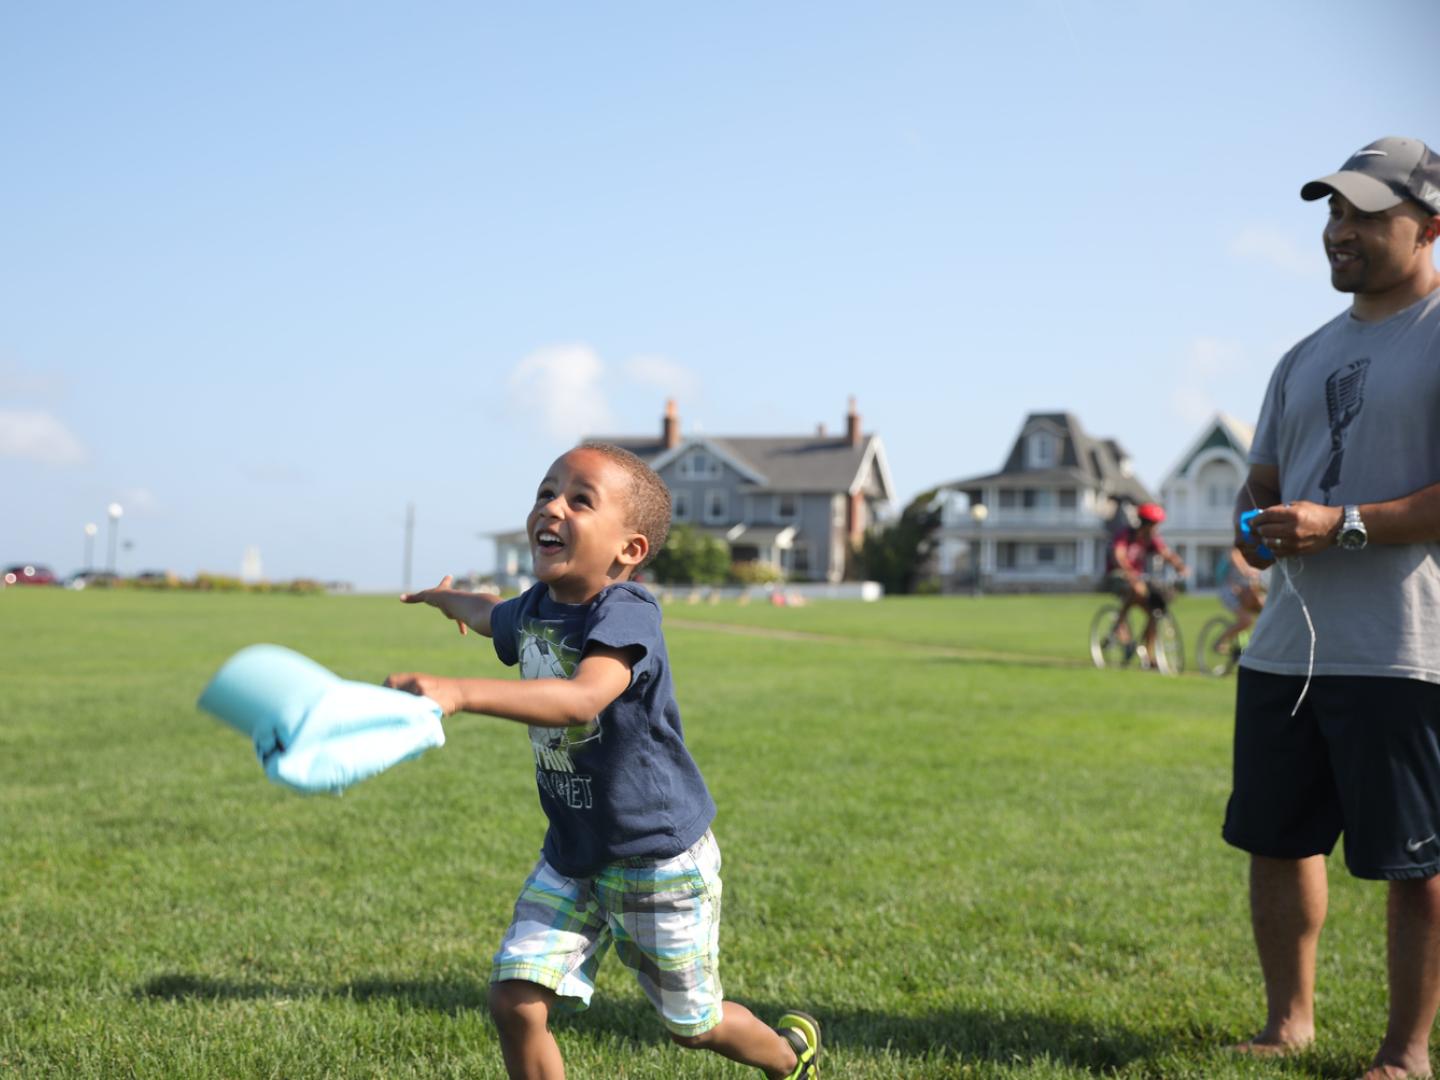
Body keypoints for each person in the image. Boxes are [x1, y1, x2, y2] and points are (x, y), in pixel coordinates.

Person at [384, 441, 821, 1080]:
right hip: (572, 855)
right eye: (544, 492)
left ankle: (790, 1058)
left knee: (694, 1027)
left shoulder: (627, 612)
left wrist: (459, 692)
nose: (551, 507)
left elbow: (581, 698)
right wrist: (449, 601)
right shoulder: (537, 605)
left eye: (578, 500)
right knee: (514, 1000)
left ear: (630, 549)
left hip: (656, 858)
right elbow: (491, 616)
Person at [1223, 136, 1440, 1080]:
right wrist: (1253, 525)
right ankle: (1289, 1023)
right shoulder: (1301, 357)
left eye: (1363, 215)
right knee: (1277, 840)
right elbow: (1264, 478)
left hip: (1405, 650)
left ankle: (1406, 1052)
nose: (1337, 233)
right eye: (1332, 214)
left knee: (1416, 868)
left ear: (1430, 225)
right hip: (1286, 651)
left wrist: (1340, 525)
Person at [1104, 502, 1188, 664]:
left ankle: (1149, 656)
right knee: (1137, 589)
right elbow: (1119, 556)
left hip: (1138, 578)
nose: (1157, 528)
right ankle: (1119, 626)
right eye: (1155, 525)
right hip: (1118, 577)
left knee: (1155, 612)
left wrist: (1180, 566)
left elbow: (1166, 553)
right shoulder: (1125, 535)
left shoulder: (1151, 539)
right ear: (1147, 524)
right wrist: (1129, 572)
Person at [1211, 546, 1266, 657]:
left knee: (1268, 612)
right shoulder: (1237, 551)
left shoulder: (1258, 552)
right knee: (1246, 621)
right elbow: (1238, 561)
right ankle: (1219, 641)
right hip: (1230, 591)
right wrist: (1249, 571)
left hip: (1246, 592)